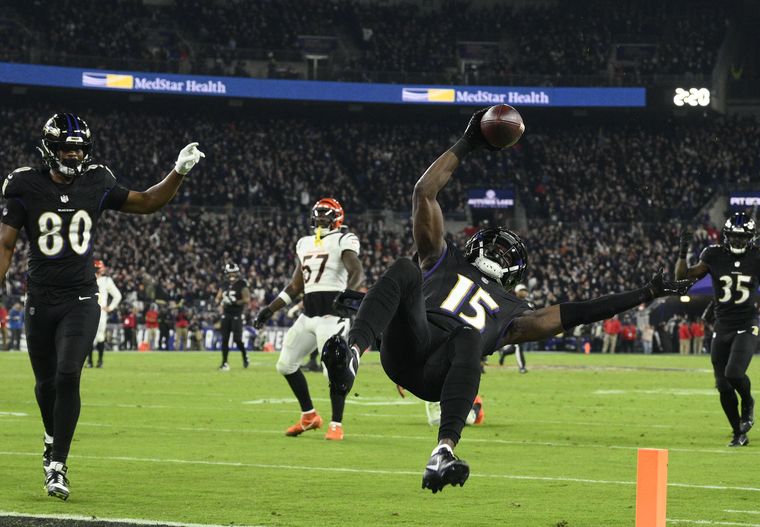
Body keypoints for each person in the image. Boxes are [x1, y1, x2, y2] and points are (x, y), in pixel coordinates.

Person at [321, 108, 692, 492]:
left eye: (504, 254)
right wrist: (467, 141)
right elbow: (424, 193)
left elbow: (577, 313)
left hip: (441, 373)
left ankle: (443, 450)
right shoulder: (442, 258)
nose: (496, 255)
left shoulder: (516, 313)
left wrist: (644, 294)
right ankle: (351, 354)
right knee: (405, 267)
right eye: (494, 249)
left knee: (466, 336)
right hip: (407, 344)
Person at [0, 112, 204, 499]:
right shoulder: (24, 184)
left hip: (80, 297)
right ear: (49, 148)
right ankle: (50, 439)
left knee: (67, 374)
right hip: (40, 298)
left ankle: (58, 464)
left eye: (79, 150)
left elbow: (146, 202)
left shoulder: (98, 180)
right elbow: (6, 245)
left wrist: (178, 171)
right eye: (67, 149)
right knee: (45, 385)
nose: (75, 156)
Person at [675, 213, 760, 447]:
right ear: (726, 236)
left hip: (746, 325)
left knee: (734, 374)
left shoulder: (759, 257)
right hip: (722, 325)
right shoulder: (713, 255)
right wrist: (682, 252)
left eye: (743, 237)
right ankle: (738, 432)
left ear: (751, 237)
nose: (738, 242)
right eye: (734, 237)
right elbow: (682, 278)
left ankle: (748, 402)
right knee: (723, 385)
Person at [254, 198, 364, 441]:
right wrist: (270, 309)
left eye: (326, 214)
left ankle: (336, 424)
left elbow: (357, 271)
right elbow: (295, 286)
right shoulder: (304, 243)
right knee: (285, 364)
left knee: (332, 373)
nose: (321, 218)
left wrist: (348, 297)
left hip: (332, 317)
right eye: (318, 214)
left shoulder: (343, 240)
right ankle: (309, 416)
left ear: (337, 218)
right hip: (308, 317)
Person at [215, 262, 250, 370]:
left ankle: (245, 356)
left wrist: (235, 301)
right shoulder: (224, 284)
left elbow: (247, 299)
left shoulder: (242, 284)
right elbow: (217, 298)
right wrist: (221, 302)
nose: (232, 275)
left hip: (237, 314)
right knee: (225, 339)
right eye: (230, 273)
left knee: (237, 339)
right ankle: (224, 363)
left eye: (234, 272)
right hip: (226, 314)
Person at [87, 260, 122, 368]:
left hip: (99, 312)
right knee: (90, 337)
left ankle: (96, 361)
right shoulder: (89, 279)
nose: (102, 270)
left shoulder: (106, 280)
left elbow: (118, 296)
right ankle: (93, 361)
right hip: (90, 311)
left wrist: (110, 307)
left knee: (98, 336)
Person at [496, 283, 530, 372]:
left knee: (516, 347)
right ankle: (522, 367)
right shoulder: (512, 301)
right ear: (517, 292)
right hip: (513, 325)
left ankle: (504, 353)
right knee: (518, 346)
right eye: (522, 291)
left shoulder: (528, 302)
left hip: (524, 326)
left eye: (525, 291)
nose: (524, 292)